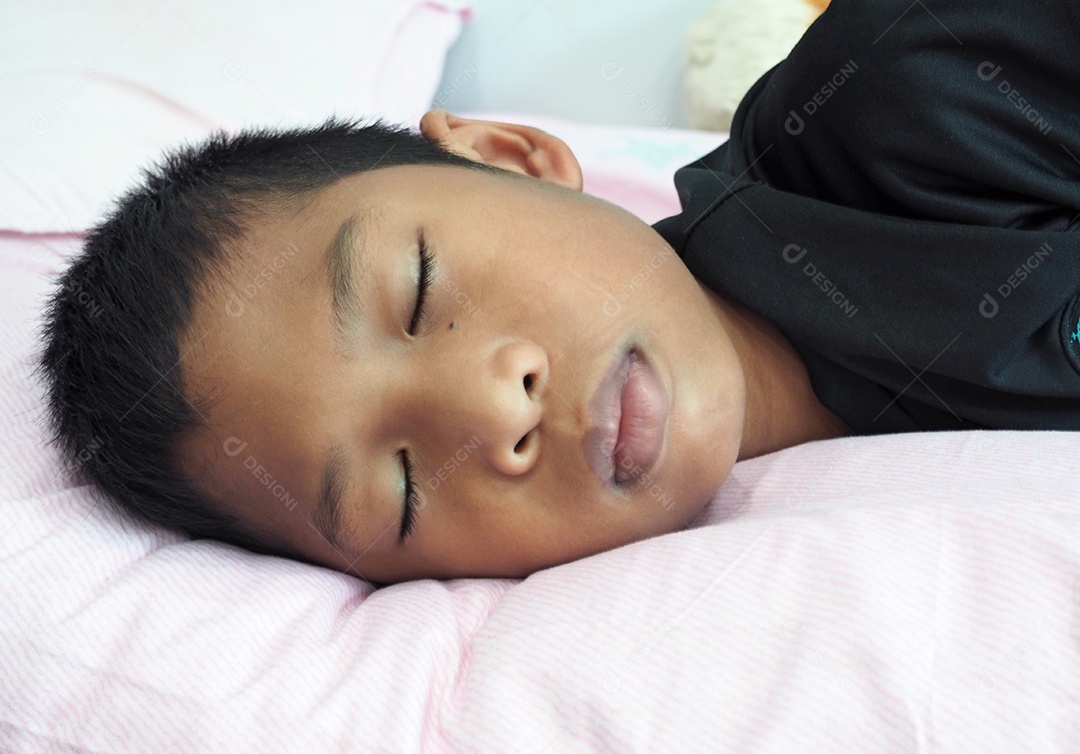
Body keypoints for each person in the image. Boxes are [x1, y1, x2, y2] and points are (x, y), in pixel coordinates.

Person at [37, 0, 1079, 586]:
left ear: (509, 157)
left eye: (421, 293)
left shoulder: (917, 87)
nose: (494, 409)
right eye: (400, 489)